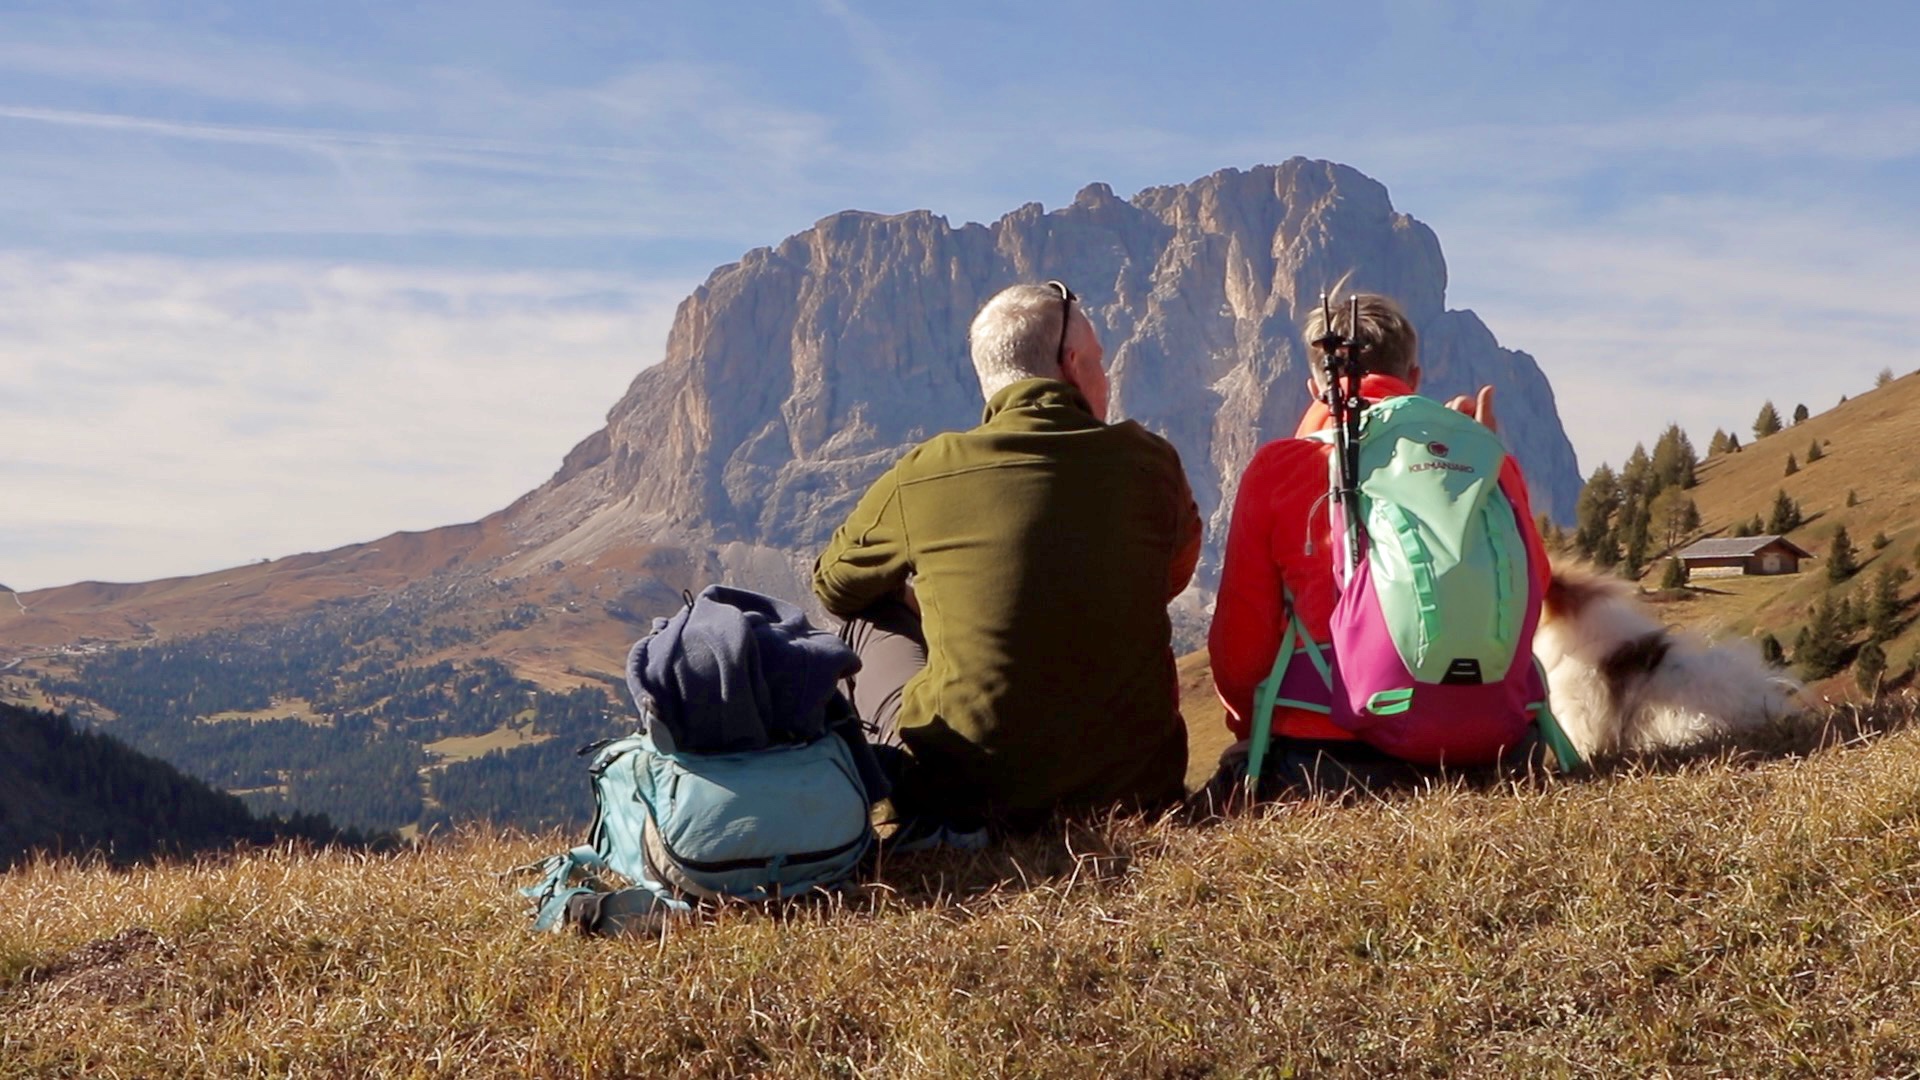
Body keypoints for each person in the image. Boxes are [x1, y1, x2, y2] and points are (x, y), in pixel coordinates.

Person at [813, 281, 1203, 835]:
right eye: (1098, 361)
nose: (1106, 376)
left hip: (969, 798)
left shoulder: (926, 472)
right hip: (1137, 792)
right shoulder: (1153, 462)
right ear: (1071, 365)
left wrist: (922, 596)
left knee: (869, 617)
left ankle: (885, 794)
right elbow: (1170, 577)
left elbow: (834, 587)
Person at [1207, 291, 1551, 798]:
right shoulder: (1486, 457)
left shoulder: (1279, 468)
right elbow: (1534, 589)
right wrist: (1480, 461)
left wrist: (1248, 731)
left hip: (1327, 763)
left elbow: (1241, 652)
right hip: (1498, 752)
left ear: (1315, 387)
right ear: (1413, 378)